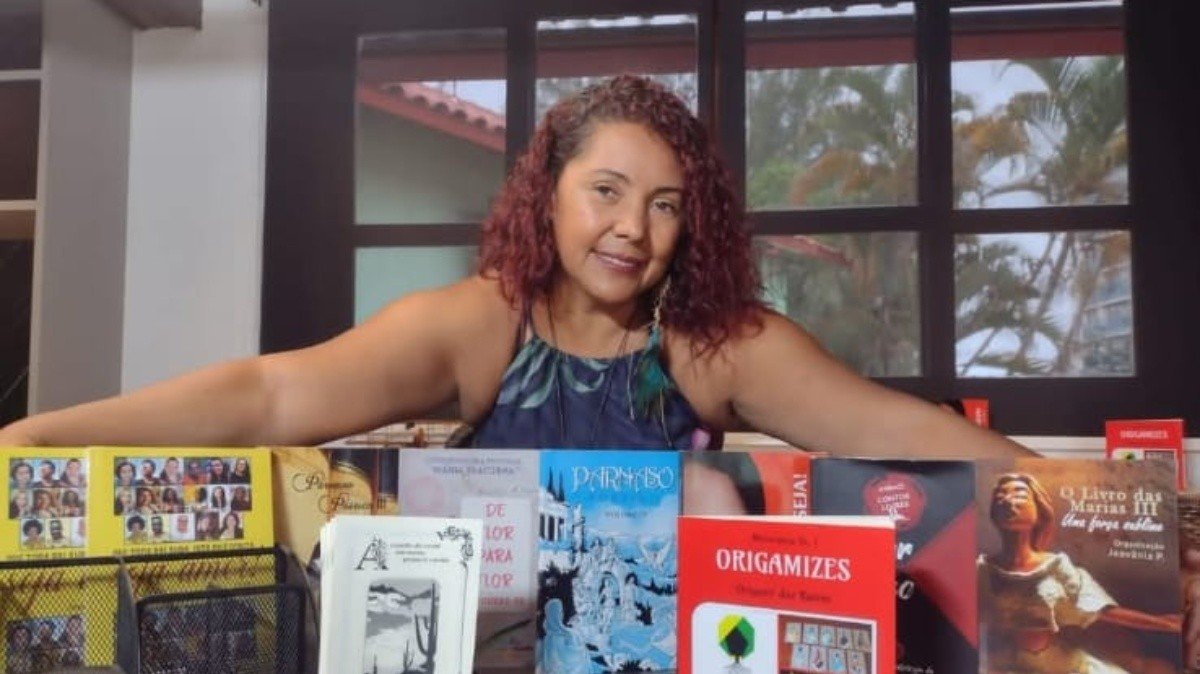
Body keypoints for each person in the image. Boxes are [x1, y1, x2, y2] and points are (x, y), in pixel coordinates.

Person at [0, 75, 1029, 461]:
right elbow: (270, 395)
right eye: (607, 190)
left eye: (666, 204)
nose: (633, 230)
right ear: (547, 195)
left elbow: (906, 430)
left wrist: (1109, 507)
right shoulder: (480, 325)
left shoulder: (717, 346)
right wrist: (32, 436)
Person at [978, 472, 1181, 674]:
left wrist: (1163, 623)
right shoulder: (982, 569)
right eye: (1000, 496)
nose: (1007, 501)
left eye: (1020, 494)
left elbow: (1102, 610)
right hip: (1009, 666)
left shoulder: (1057, 566)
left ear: (1039, 512)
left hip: (1070, 666)